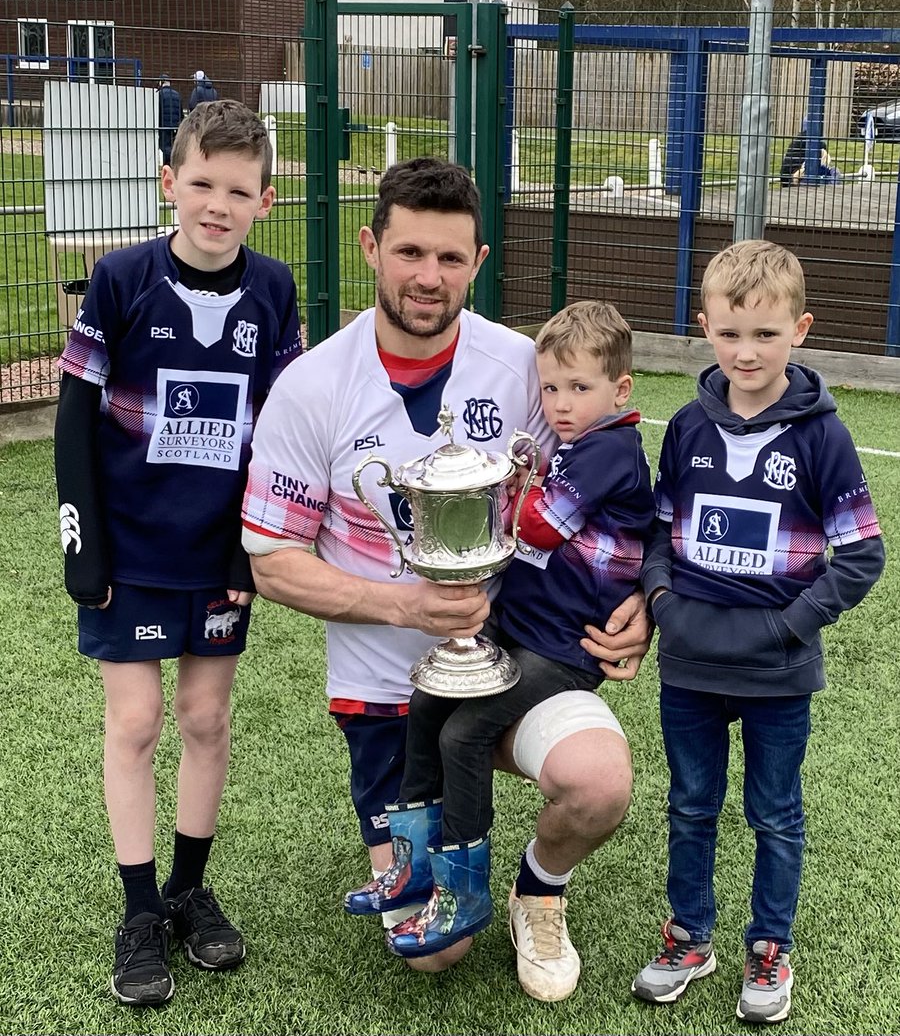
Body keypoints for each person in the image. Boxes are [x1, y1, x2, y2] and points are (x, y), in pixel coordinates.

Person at [241, 157, 652, 1003]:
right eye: (410, 253)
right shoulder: (311, 387)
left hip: (517, 656)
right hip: (385, 688)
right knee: (433, 955)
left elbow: (614, 490)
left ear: (480, 261)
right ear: (371, 248)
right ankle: (429, 865)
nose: (429, 277)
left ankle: (537, 888)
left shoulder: (524, 368)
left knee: (600, 783)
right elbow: (271, 561)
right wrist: (407, 605)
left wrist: (645, 600)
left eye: (451, 258)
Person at [54, 98, 302, 1007]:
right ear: (170, 182)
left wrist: (256, 549)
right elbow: (76, 420)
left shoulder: (274, 293)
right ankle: (136, 908)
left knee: (205, 719)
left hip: (219, 553)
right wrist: (81, 539)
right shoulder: (118, 279)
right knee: (135, 724)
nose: (216, 203)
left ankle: (189, 889)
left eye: (238, 190)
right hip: (129, 551)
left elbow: (276, 433)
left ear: (264, 199)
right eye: (201, 182)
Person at [342, 300, 656, 963]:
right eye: (550, 388)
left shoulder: (611, 449)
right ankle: (411, 864)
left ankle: (465, 890)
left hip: (563, 649)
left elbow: (538, 527)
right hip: (520, 631)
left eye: (580, 388)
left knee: (463, 731)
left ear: (619, 390)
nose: (560, 404)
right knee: (427, 699)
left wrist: (495, 489)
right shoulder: (574, 446)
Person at [631, 240, 884, 1024]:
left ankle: (770, 946)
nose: (747, 351)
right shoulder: (685, 427)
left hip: (777, 671)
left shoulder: (822, 436)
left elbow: (864, 552)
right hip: (690, 664)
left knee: (775, 812)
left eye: (766, 334)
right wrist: (663, 599)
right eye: (732, 333)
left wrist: (791, 624)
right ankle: (690, 937)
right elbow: (659, 531)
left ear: (799, 330)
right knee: (690, 805)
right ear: (704, 326)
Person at [157, 73, 183, 166]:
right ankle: (173, 164)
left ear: (161, 82)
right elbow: (180, 110)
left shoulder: (160, 94)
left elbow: (158, 109)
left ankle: (167, 164)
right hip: (175, 124)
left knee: (165, 146)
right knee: (173, 145)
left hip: (164, 124)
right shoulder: (177, 94)